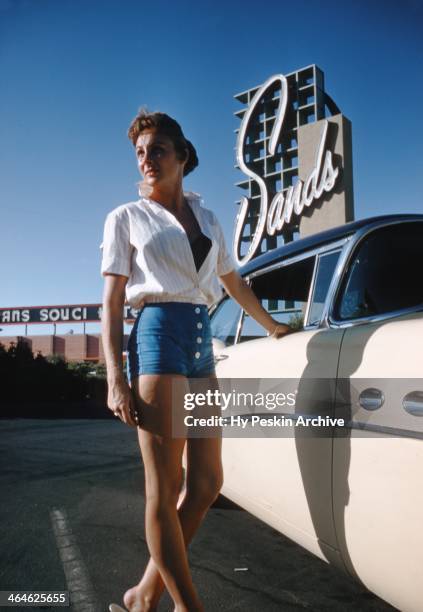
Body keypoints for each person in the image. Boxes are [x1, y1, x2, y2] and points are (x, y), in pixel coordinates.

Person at [101, 109, 293, 612]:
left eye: (157, 149)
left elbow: (233, 282)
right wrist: (115, 377)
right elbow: (112, 302)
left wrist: (272, 326)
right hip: (157, 335)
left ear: (183, 155)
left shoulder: (208, 217)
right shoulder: (126, 217)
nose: (146, 160)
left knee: (207, 482)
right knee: (163, 490)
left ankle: (144, 595)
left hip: (201, 341)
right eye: (140, 152)